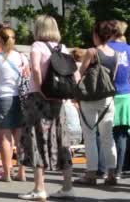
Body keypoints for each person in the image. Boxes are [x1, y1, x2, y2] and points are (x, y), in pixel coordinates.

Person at [19, 15, 74, 200]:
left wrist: (41, 89)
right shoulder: (63, 48)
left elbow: (35, 68)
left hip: (39, 99)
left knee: (37, 140)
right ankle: (67, 186)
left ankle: (39, 188)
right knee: (61, 140)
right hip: (58, 99)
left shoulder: (37, 46)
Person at [75, 20, 119, 186]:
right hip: (107, 100)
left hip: (89, 99)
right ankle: (111, 174)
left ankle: (91, 173)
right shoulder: (114, 54)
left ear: (96, 35)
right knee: (108, 137)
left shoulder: (92, 52)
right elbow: (112, 78)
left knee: (90, 136)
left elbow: (80, 73)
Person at [0, 27, 27, 182]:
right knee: (20, 138)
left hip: (2, 99)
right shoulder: (22, 57)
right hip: (20, 99)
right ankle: (22, 172)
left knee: (5, 139)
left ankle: (7, 173)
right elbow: (26, 78)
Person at [109, 20, 130, 180]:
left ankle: (106, 169)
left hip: (109, 94)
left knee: (105, 134)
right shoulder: (129, 49)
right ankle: (119, 170)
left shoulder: (106, 48)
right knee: (122, 133)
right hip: (126, 94)